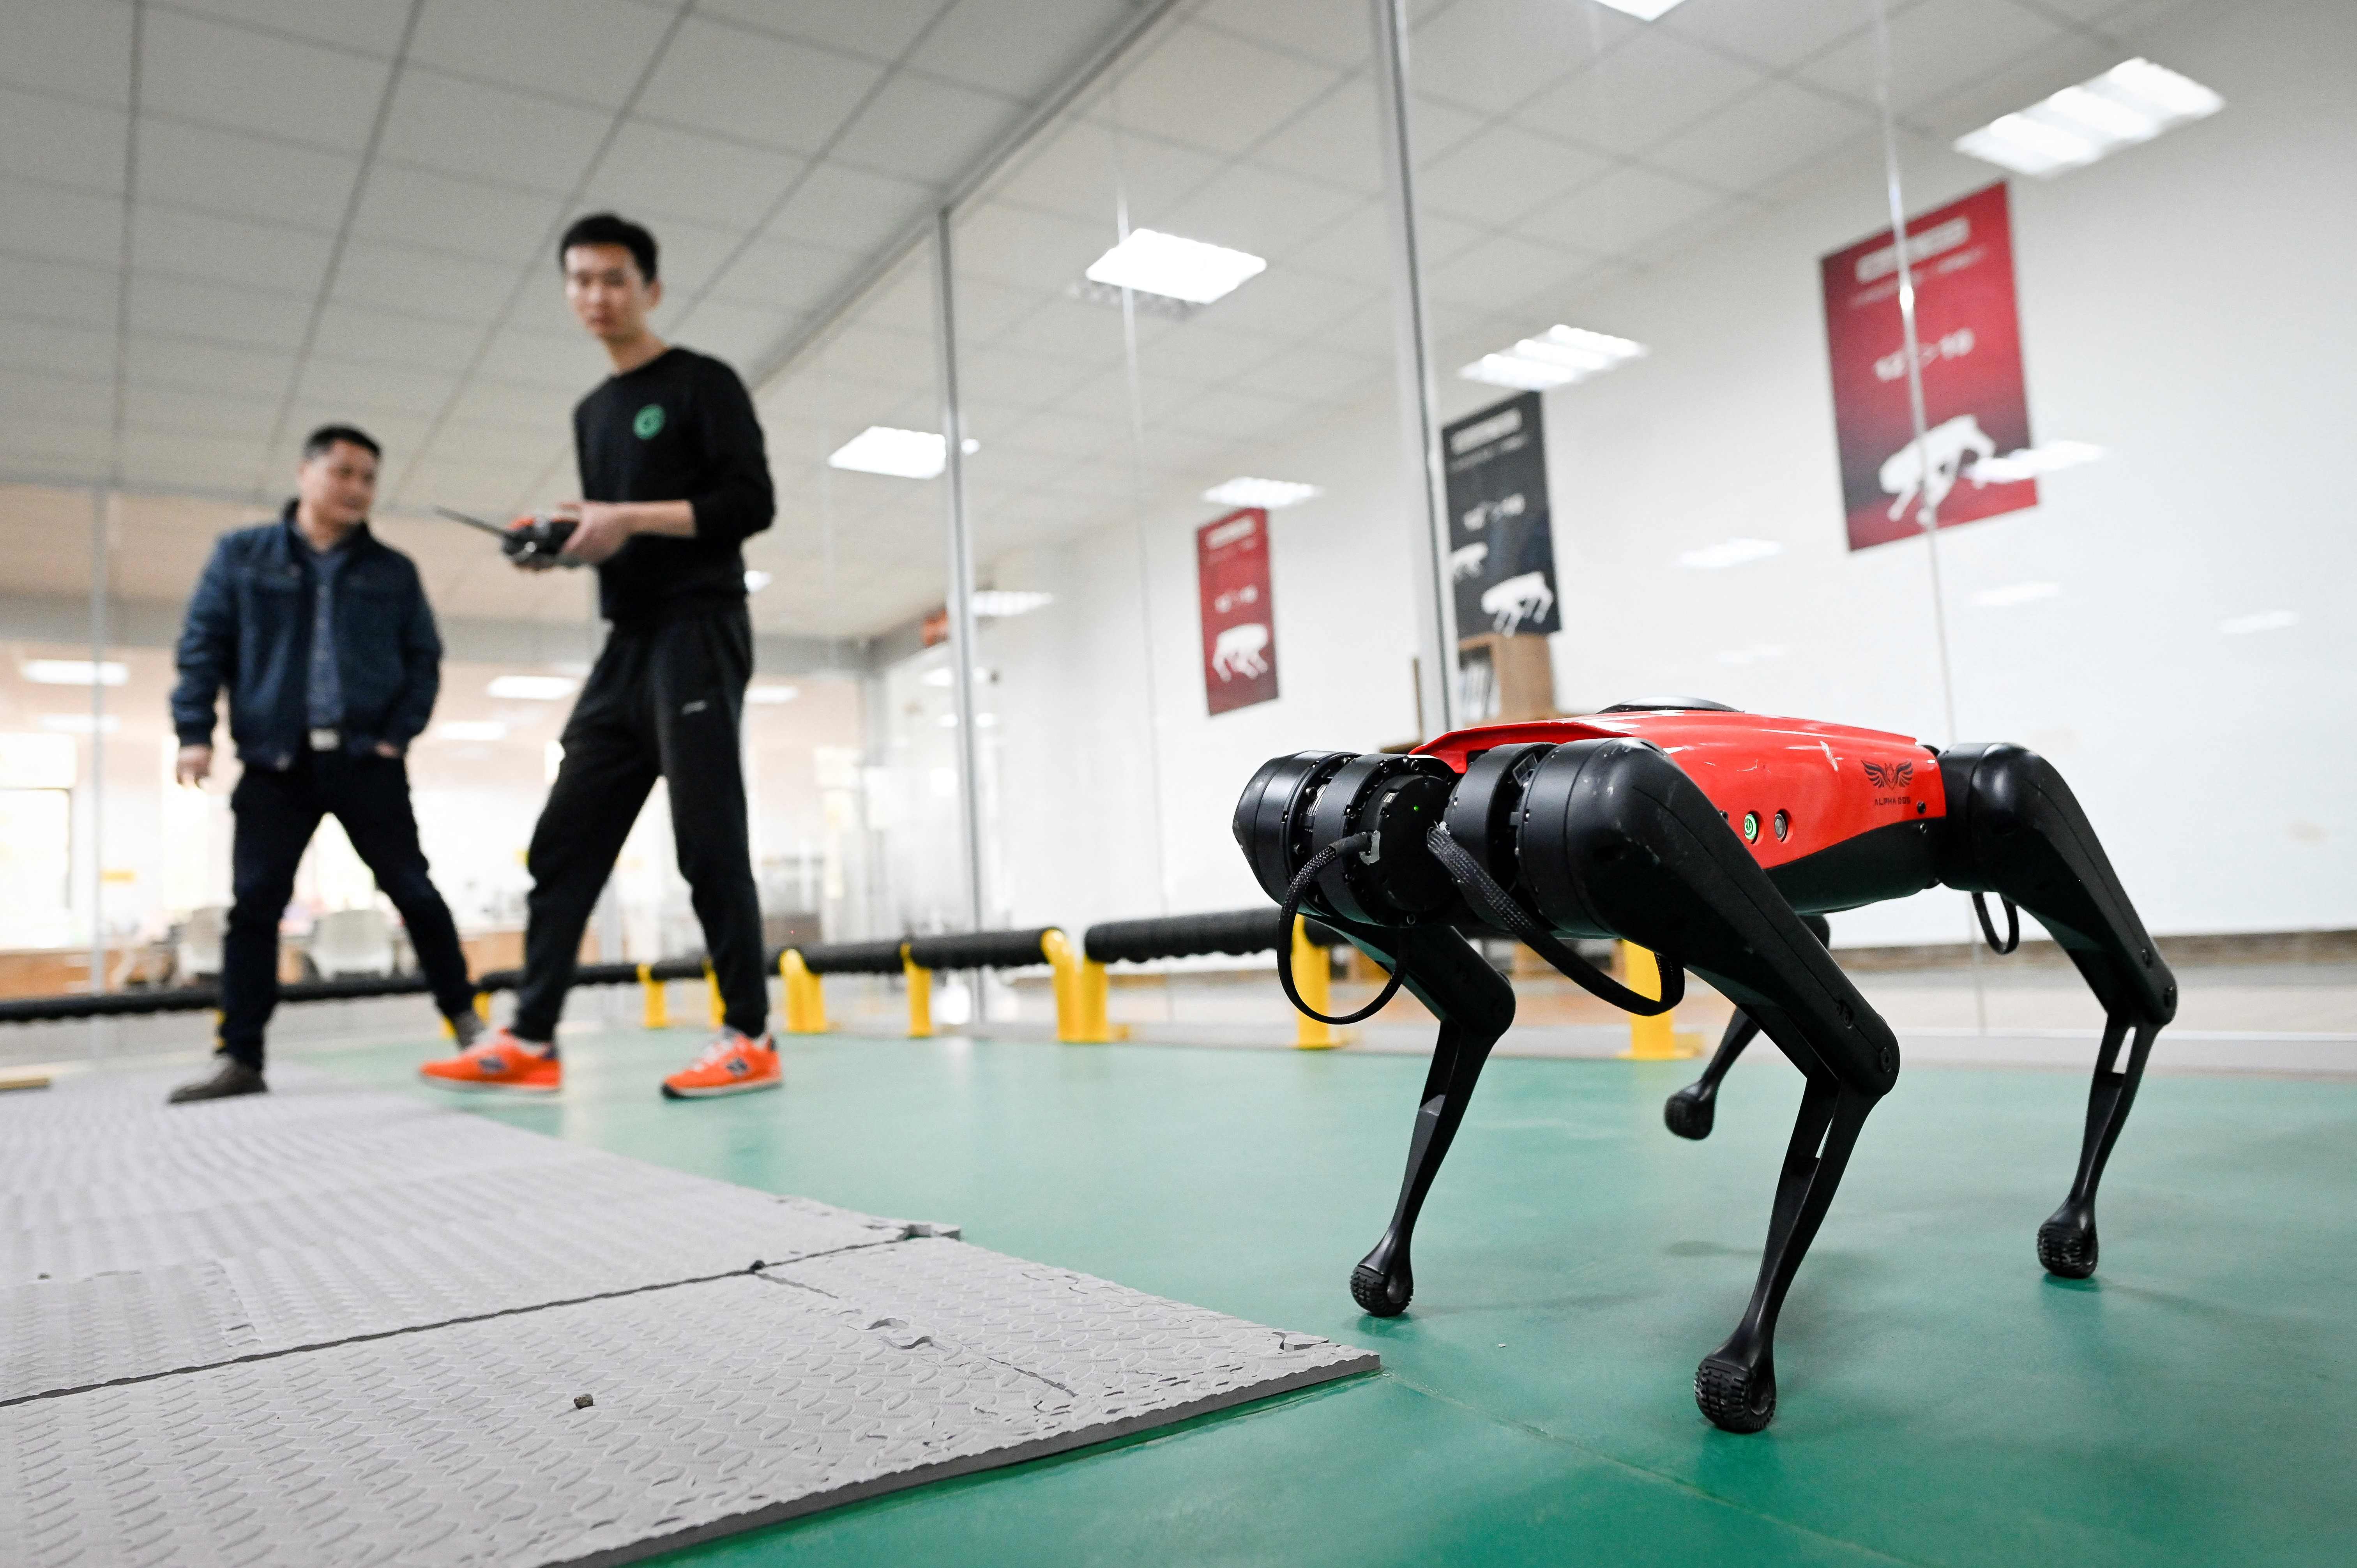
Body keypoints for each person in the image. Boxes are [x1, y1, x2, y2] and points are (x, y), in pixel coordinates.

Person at [420, 212, 778, 1100]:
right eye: (580, 280)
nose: (596, 295)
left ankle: (750, 1034)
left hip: (700, 626)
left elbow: (750, 501)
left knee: (707, 836)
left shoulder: (702, 382)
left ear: (650, 289)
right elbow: (615, 535)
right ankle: (532, 1037)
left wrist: (628, 516)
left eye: (614, 279)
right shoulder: (593, 411)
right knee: (565, 840)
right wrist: (570, 541)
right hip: (628, 641)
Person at [166, 426, 481, 1103]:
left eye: (369, 478)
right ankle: (240, 1058)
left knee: (414, 893)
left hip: (369, 759)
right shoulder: (243, 555)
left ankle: (472, 1031)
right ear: (306, 472)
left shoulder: (392, 571)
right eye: (344, 473)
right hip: (276, 763)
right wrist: (194, 731)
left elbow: (423, 660)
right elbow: (204, 644)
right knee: (254, 909)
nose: (358, 489)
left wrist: (399, 736)